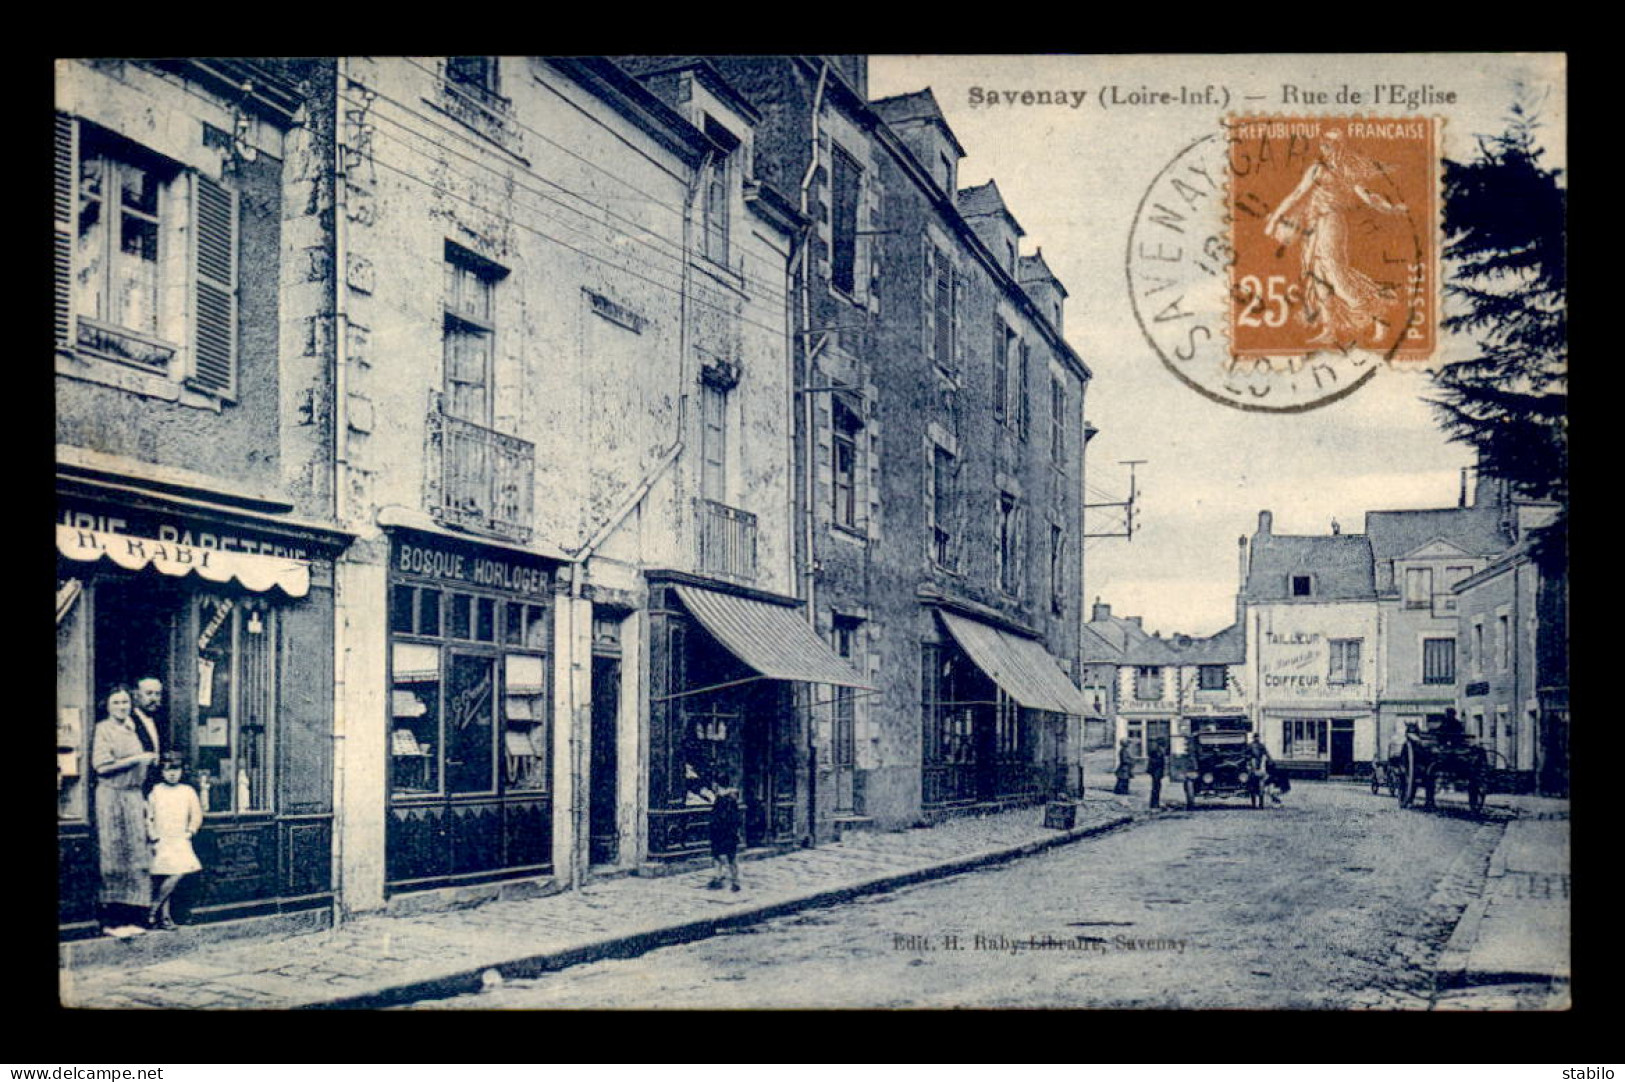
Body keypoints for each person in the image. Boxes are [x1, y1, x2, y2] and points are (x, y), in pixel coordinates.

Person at [1262, 130, 1410, 348]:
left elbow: (1367, 195)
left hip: (1331, 221)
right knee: (1317, 275)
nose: (1325, 149)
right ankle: (1329, 329)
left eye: (1330, 145)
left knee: (1336, 273)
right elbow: (1297, 194)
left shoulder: (1346, 170)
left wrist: (1390, 208)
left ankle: (1379, 316)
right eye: (1323, 145)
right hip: (1313, 225)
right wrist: (1275, 218)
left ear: (1339, 146)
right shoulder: (1317, 169)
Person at [92, 685, 156, 936]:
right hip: (111, 796)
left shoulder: (132, 728)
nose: (122, 707)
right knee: (113, 856)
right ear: (107, 705)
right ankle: (112, 921)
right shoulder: (103, 729)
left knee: (137, 857)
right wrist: (139, 759)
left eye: (126, 702)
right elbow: (101, 766)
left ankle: (134, 918)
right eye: (117, 702)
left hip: (132, 795)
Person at [147, 753, 204, 930]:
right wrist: (153, 835)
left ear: (181, 772)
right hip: (161, 839)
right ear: (162, 772)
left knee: (178, 872)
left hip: (180, 840)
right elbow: (148, 816)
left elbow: (196, 814)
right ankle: (164, 918)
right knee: (166, 874)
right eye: (168, 770)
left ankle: (153, 909)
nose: (172, 774)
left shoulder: (187, 791)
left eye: (176, 770)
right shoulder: (156, 791)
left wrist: (190, 831)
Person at [707, 771, 743, 892]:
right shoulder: (732, 798)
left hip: (720, 832)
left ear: (717, 784)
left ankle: (719, 878)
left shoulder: (721, 799)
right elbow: (737, 818)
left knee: (717, 856)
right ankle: (734, 881)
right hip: (730, 833)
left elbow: (717, 817)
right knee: (731, 857)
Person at [132, 677, 166, 790]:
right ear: (136, 695)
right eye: (149, 693)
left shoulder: (160, 720)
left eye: (157, 694)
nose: (154, 698)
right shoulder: (128, 721)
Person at [1146, 741, 1166, 809]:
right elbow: (1155, 762)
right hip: (1156, 772)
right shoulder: (1157, 752)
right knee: (1156, 788)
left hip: (1157, 772)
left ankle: (1155, 804)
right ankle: (1154, 804)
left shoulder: (1158, 751)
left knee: (1157, 788)